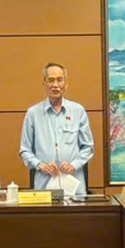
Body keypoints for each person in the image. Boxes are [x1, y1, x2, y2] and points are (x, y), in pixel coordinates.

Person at [19, 63, 94, 194]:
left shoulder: (78, 111)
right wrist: (40, 165)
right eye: (51, 80)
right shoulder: (33, 114)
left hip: (74, 188)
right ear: (44, 84)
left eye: (60, 80)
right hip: (44, 187)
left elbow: (88, 147)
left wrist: (74, 165)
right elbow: (25, 150)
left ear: (66, 84)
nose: (55, 85)